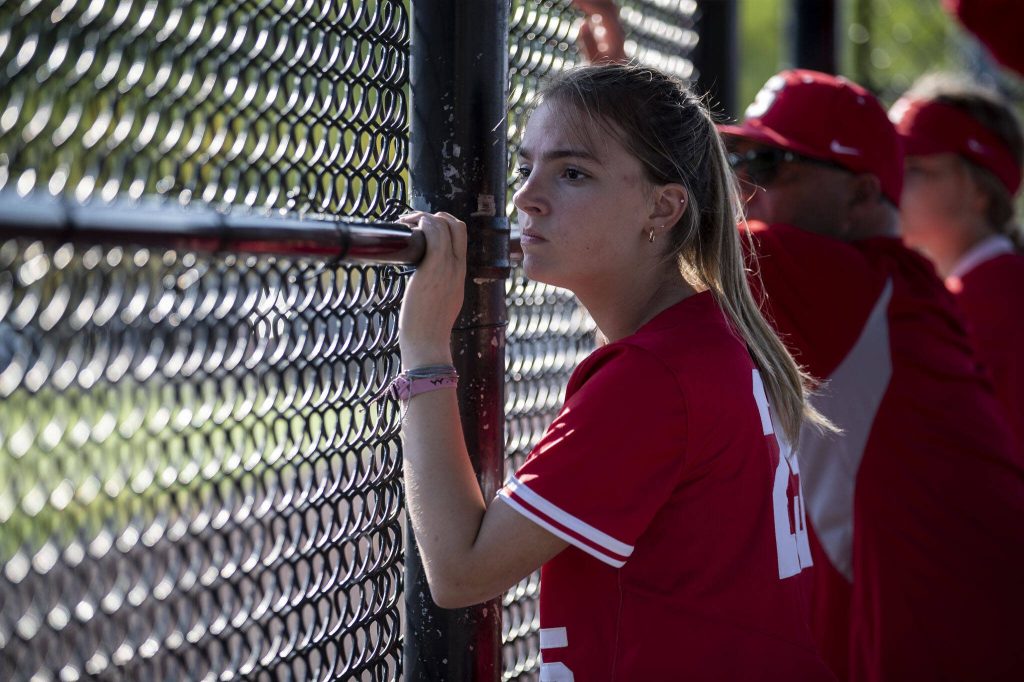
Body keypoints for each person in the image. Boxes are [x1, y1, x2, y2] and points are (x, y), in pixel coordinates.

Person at [395, 64, 836, 681]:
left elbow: (461, 570)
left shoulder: (656, 377)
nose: (526, 197)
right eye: (527, 168)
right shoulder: (709, 339)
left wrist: (423, 349)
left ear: (663, 206)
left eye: (572, 173)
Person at [721, 69, 1024, 682]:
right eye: (736, 161)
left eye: (770, 163)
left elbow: (648, 233)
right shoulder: (893, 285)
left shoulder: (856, 283)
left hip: (951, 635)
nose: (743, 185)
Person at [889, 73, 1024, 445]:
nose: (894, 181)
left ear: (980, 190)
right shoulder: (977, 286)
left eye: (915, 169)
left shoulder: (995, 297)